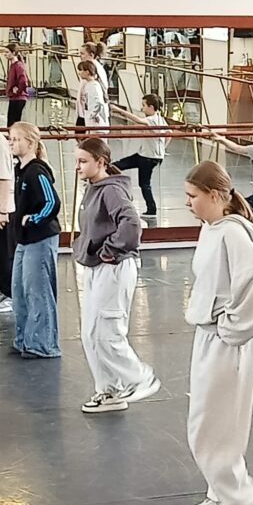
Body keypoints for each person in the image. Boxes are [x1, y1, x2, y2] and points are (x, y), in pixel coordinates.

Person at [184, 161, 253, 505]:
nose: (188, 203)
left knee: (217, 422)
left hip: (227, 341)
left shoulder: (232, 233)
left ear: (214, 196)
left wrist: (234, 327)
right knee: (210, 418)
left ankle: (238, 498)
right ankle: (221, 490)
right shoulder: (213, 229)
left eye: (193, 196)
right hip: (212, 335)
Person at [73, 137, 160, 414]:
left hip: (114, 267)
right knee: (90, 333)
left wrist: (111, 249)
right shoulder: (94, 188)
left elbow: (132, 223)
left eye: (83, 161)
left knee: (108, 331)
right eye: (77, 161)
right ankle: (109, 391)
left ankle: (140, 377)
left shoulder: (111, 190)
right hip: (97, 266)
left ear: (101, 162)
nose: (78, 166)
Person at [7, 123, 61, 358]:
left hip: (40, 238)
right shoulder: (21, 170)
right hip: (25, 240)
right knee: (20, 291)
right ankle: (25, 340)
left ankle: (43, 344)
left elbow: (52, 202)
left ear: (30, 143)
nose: (11, 143)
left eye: (16, 139)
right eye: (10, 139)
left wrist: (33, 220)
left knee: (38, 291)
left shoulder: (36, 172)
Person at [111, 94, 170, 220]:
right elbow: (169, 133)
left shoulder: (152, 119)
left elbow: (138, 120)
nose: (142, 108)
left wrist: (119, 110)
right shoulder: (160, 119)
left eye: (144, 105)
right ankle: (116, 180)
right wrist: (163, 149)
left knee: (144, 184)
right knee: (119, 165)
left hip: (148, 158)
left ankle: (151, 209)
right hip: (145, 155)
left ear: (151, 107)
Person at [0, 130, 14, 313]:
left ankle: (9, 294)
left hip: (2, 209)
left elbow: (4, 178)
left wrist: (2, 211)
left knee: (4, 252)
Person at [76, 61, 109, 130]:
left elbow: (98, 103)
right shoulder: (90, 84)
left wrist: (92, 115)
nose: (79, 73)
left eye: (81, 70)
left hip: (96, 124)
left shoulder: (93, 86)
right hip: (92, 123)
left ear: (87, 72)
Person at [3, 43, 30, 127]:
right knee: (11, 122)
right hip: (14, 97)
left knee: (14, 123)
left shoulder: (18, 65)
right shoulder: (13, 65)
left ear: (13, 53)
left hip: (18, 98)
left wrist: (18, 90)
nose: (5, 54)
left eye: (7, 52)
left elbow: (23, 80)